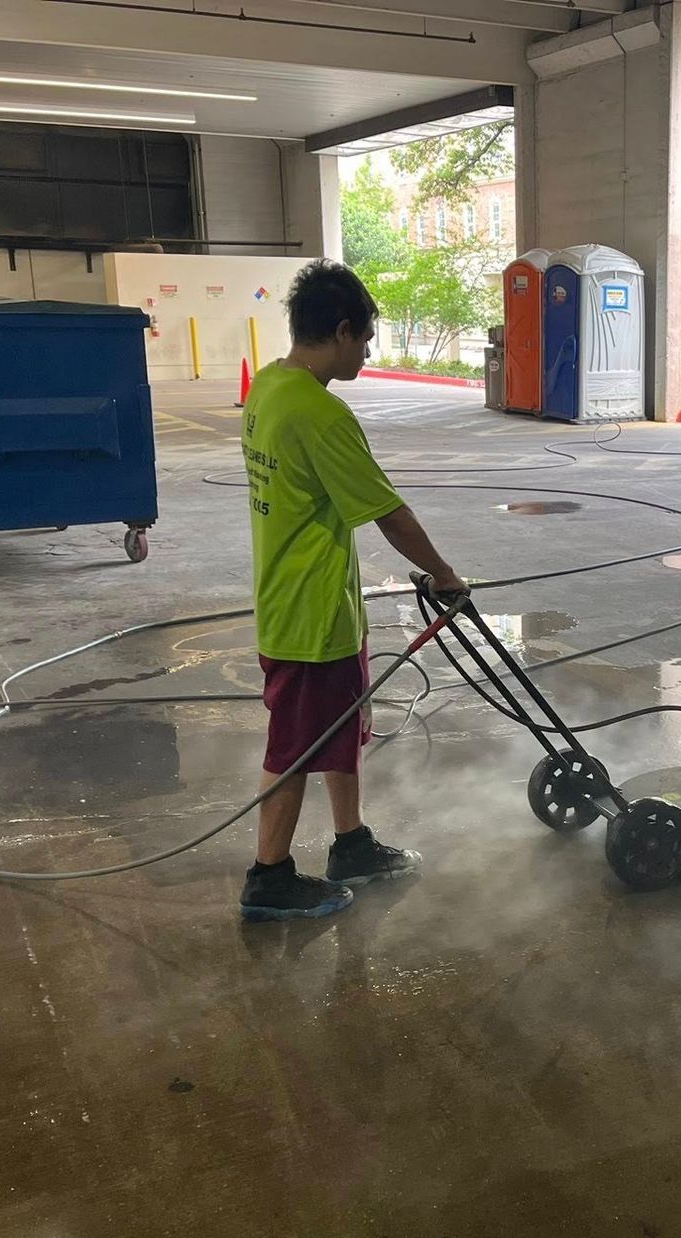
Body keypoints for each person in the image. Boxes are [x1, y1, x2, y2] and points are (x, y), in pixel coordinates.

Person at [239, 261, 466, 922]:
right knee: (295, 747)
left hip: (308, 600)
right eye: (365, 338)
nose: (367, 352)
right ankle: (269, 876)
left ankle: (352, 843)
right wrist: (445, 575)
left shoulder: (269, 387)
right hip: (309, 615)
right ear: (341, 331)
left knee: (340, 728)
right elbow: (389, 514)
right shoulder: (319, 412)